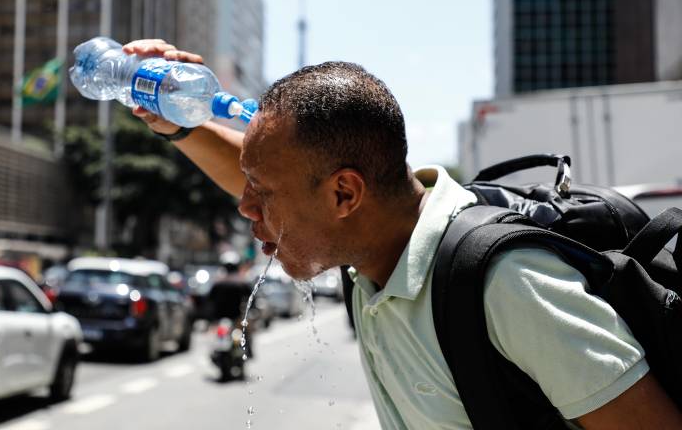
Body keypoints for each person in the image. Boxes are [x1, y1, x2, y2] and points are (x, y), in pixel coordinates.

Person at [123, 39, 682, 430]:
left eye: (262, 192)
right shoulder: (372, 247)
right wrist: (178, 122)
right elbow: (269, 183)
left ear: (345, 194)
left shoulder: (508, 286)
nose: (245, 208)